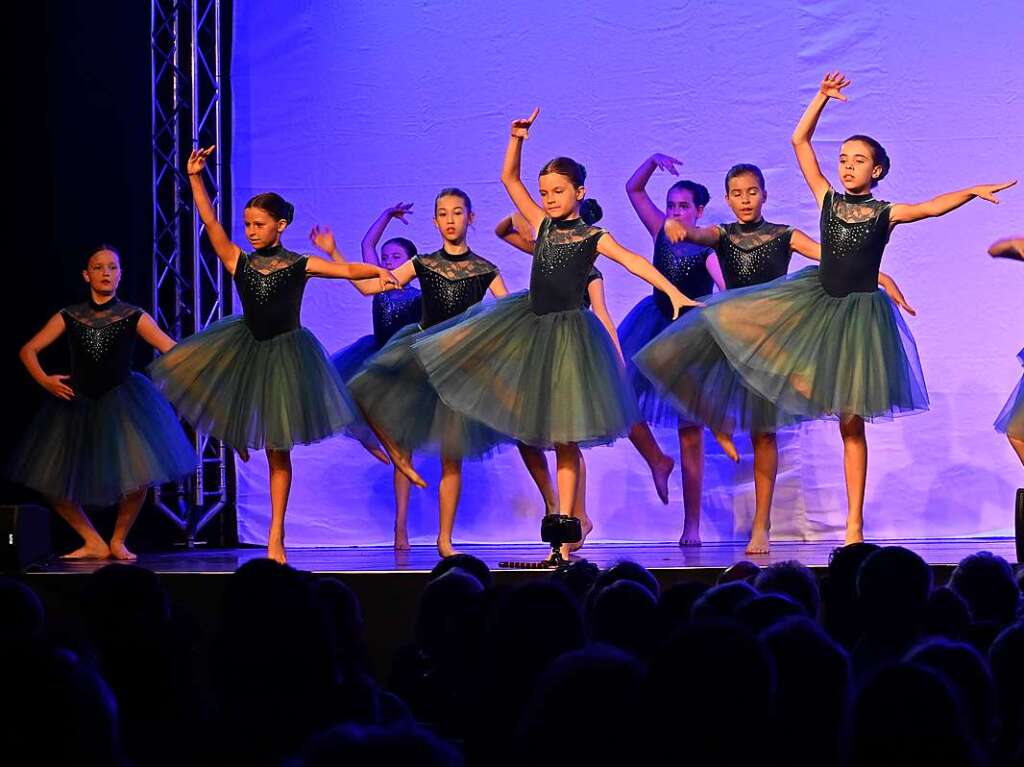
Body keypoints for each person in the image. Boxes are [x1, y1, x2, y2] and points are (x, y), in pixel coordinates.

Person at [149, 146, 398, 563]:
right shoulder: (237, 260)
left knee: (277, 452)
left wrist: (377, 270)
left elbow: (346, 271)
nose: (250, 231)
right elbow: (209, 222)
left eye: (259, 224)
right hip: (244, 348)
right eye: (247, 224)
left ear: (280, 226)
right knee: (211, 394)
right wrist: (195, 177)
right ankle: (237, 434)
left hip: (285, 355)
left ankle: (275, 536)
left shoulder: (299, 264)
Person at [9, 245, 197, 559]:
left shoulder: (133, 316)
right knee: (50, 481)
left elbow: (171, 349)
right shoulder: (69, 315)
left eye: (112, 267)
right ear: (87, 275)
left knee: (139, 477)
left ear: (120, 274)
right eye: (98, 267)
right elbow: (28, 350)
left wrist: (204, 359)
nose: (106, 273)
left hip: (124, 402)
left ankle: (118, 539)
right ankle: (92, 540)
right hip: (75, 404)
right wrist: (45, 380)